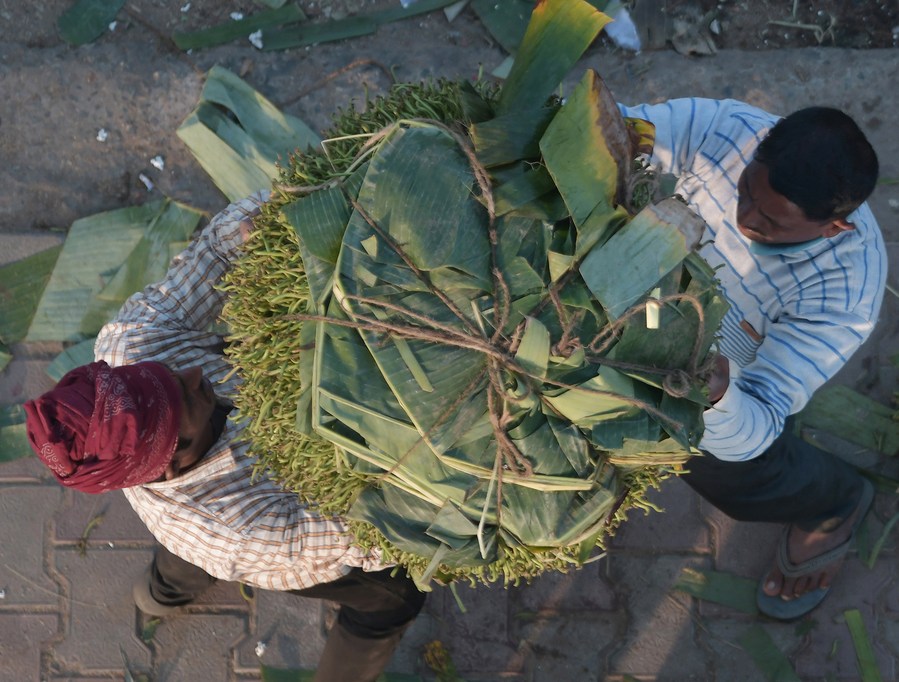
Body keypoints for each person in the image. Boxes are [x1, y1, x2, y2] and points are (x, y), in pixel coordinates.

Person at [24, 193, 425, 682]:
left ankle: (160, 594)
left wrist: (266, 225)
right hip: (293, 533)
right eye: (186, 398)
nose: (194, 375)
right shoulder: (237, 529)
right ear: (172, 460)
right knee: (392, 598)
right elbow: (374, 529)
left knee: (185, 550)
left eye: (168, 375)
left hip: (200, 523)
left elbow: (215, 251)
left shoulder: (133, 341)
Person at [617, 98, 885, 619]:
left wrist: (717, 395)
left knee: (728, 472)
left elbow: (759, 419)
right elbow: (615, 130)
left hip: (711, 380)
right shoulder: (727, 130)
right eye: (744, 193)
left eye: (771, 223)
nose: (744, 219)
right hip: (642, 304)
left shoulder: (845, 294)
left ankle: (835, 503)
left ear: (833, 229)